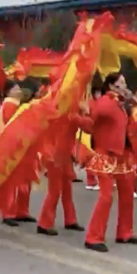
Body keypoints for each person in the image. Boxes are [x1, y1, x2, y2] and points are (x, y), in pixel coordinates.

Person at [84, 72, 137, 253]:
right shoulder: (105, 103)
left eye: (125, 83)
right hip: (105, 154)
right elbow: (90, 123)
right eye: (122, 83)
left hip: (121, 155)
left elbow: (131, 131)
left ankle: (125, 232)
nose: (125, 86)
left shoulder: (122, 106)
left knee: (127, 194)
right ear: (111, 86)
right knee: (106, 196)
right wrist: (81, 112)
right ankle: (93, 237)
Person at [37, 95, 91, 235]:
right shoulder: (67, 113)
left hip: (63, 154)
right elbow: (89, 127)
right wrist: (86, 111)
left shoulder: (66, 111)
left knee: (67, 188)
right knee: (55, 190)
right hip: (56, 155)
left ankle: (70, 219)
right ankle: (44, 223)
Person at [0, 81, 36, 227]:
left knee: (24, 179)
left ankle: (21, 210)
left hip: (21, 147)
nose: (19, 90)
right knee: (13, 181)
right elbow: (13, 126)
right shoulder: (10, 104)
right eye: (15, 88)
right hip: (13, 148)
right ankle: (9, 212)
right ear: (8, 92)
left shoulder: (16, 105)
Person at [83, 86, 101, 190]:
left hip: (98, 133)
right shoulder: (90, 103)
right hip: (91, 133)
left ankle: (96, 180)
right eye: (98, 93)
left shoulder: (98, 103)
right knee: (92, 157)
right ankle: (91, 181)